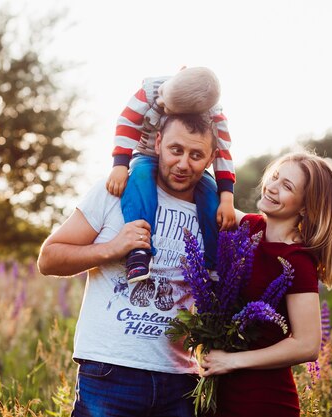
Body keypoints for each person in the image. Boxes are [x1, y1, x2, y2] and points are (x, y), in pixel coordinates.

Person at [38, 113, 219, 416]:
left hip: (181, 379)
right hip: (110, 373)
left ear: (211, 158)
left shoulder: (212, 214)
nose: (184, 163)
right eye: (176, 150)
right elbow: (49, 257)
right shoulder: (114, 191)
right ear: (158, 142)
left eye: (196, 155)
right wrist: (112, 248)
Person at [199, 151, 332, 417]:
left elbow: (308, 344)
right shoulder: (249, 227)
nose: (272, 187)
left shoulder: (297, 261)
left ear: (305, 206)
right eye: (275, 177)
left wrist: (233, 361)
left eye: (287, 186)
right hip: (220, 391)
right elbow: (203, 189)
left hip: (263, 401)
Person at [106, 67, 237, 283]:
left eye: (168, 108)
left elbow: (223, 153)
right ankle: (139, 251)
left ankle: (214, 266)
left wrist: (227, 198)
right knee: (139, 179)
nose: (161, 104)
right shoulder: (151, 90)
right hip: (147, 154)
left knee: (211, 197)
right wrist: (120, 163)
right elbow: (127, 123)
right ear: (180, 72)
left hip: (186, 159)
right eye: (163, 101)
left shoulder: (215, 116)